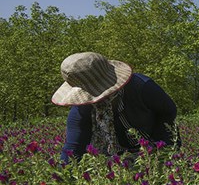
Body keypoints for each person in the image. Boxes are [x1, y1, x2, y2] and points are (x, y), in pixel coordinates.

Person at [52, 52, 180, 163]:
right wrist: (62, 178)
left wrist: (161, 151)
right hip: (114, 158)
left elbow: (168, 112)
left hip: (155, 148)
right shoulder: (82, 108)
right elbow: (74, 147)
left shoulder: (141, 87)